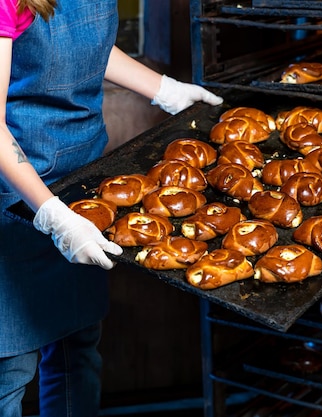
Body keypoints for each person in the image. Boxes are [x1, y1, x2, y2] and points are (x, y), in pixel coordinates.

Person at [0, 0, 223, 415]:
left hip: (82, 179)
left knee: (78, 350)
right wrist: (52, 215)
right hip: (15, 197)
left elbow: (85, 48)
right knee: (10, 371)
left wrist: (163, 89)